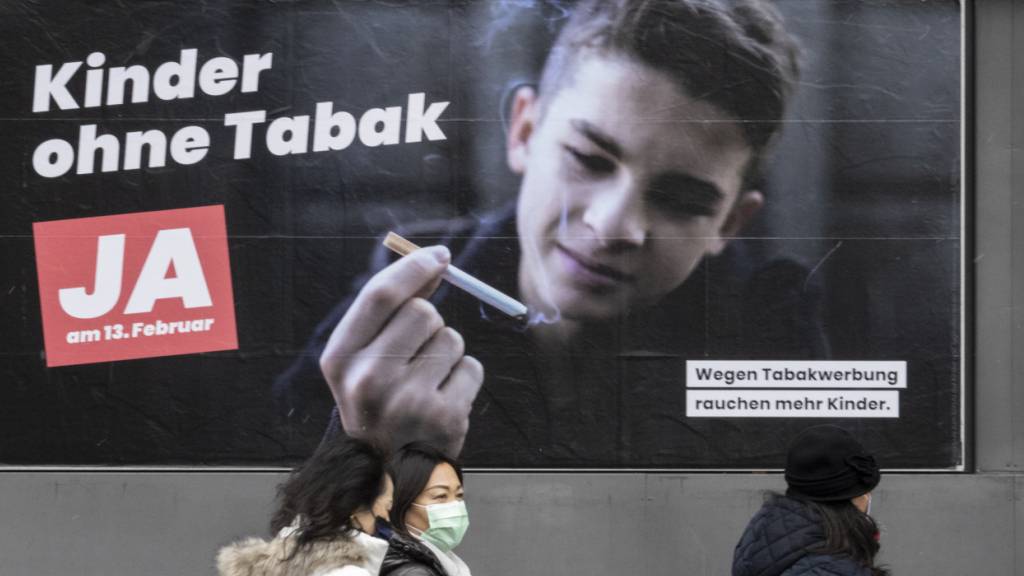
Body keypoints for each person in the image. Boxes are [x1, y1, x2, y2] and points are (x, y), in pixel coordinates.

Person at [275, 0, 827, 467]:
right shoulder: (401, 295)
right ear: (524, 131)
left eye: (681, 201)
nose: (613, 226)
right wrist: (370, 458)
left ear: (729, 224)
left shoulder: (773, 330)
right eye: (589, 159)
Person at [216, 436, 395, 576]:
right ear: (356, 507)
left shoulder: (279, 560)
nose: (388, 517)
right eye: (388, 506)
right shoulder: (349, 573)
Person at [732, 425, 888, 576]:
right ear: (852, 501)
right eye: (866, 492)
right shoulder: (834, 567)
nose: (868, 498)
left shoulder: (763, 536)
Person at [381, 443, 472, 576]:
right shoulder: (413, 572)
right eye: (440, 496)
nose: (454, 505)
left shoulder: (437, 561)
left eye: (459, 495)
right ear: (403, 501)